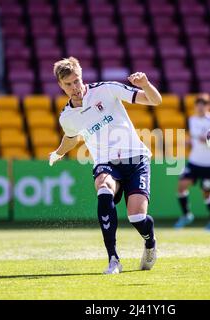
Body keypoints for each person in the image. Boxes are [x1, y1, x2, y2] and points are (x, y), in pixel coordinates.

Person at [48, 57, 162, 274]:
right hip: (106, 162)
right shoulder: (67, 116)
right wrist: (58, 152)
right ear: (61, 86)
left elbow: (155, 101)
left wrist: (146, 84)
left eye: (77, 81)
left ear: (82, 76)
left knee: (137, 217)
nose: (75, 87)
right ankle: (113, 259)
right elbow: (71, 138)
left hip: (135, 159)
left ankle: (150, 242)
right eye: (68, 84)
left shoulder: (107, 89)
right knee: (103, 187)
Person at [174, 94, 210, 231]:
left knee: (206, 193)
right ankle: (186, 215)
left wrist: (208, 141)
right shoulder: (191, 120)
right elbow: (193, 139)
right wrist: (188, 142)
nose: (200, 107)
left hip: (209, 164)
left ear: (209, 106)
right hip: (194, 162)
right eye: (198, 104)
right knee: (181, 186)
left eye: (204, 104)